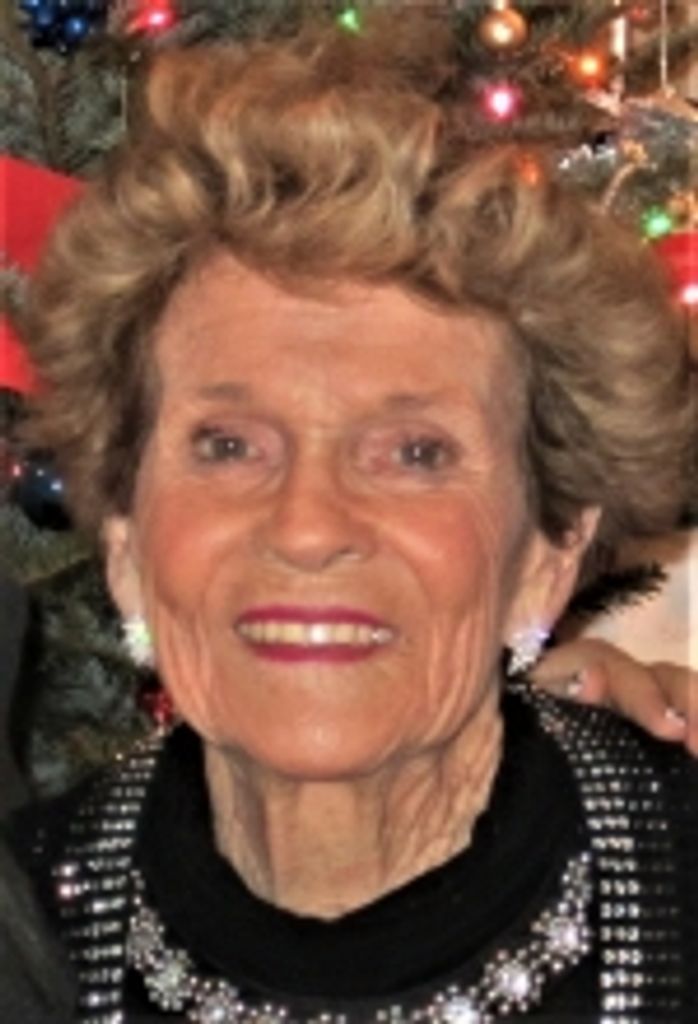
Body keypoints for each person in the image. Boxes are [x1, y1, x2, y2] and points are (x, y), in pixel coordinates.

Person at [3, 13, 696, 1023]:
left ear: (548, 553)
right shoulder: (25, 925)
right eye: (227, 445)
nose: (307, 526)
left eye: (414, 453)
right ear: (124, 540)